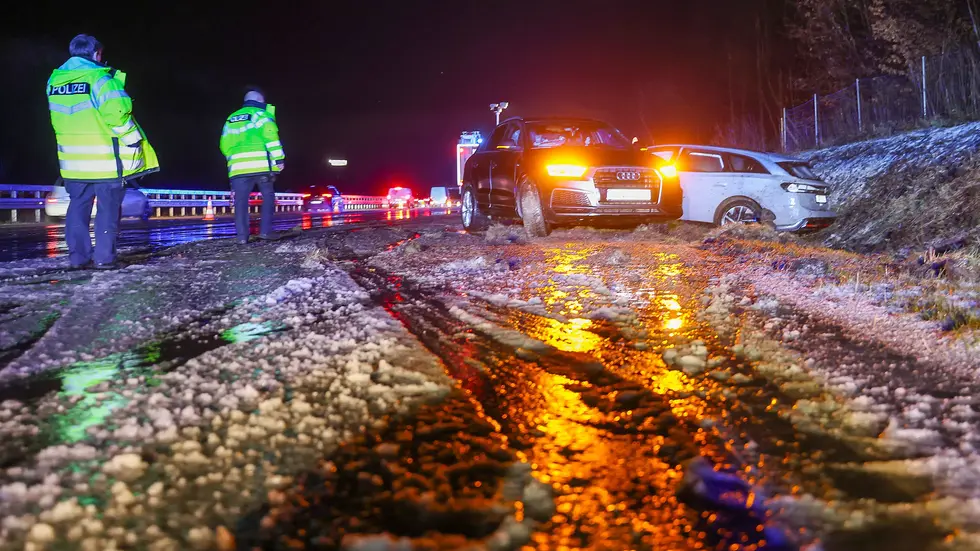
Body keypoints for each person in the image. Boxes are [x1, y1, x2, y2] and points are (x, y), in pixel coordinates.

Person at [46, 34, 159, 268]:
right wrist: (134, 140)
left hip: (72, 163)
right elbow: (118, 115)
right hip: (105, 161)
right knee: (107, 210)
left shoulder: (54, 81)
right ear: (96, 53)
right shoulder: (101, 79)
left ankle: (78, 258)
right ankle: (104, 259)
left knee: (77, 209)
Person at [219, 86, 285, 243]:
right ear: (260, 100)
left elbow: (223, 144)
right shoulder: (261, 115)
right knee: (268, 196)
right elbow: (271, 138)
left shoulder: (231, 118)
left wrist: (234, 157)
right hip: (261, 166)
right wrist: (279, 159)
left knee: (240, 202)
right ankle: (265, 232)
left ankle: (242, 237)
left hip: (238, 168)